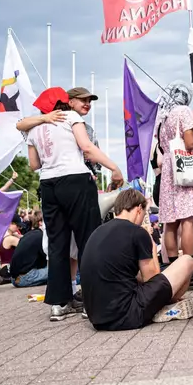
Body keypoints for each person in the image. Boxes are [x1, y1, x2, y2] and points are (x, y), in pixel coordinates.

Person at [26, 87, 124, 322]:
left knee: (58, 244)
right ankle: (91, 301)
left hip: (48, 185)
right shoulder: (72, 117)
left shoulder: (33, 128)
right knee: (87, 240)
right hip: (76, 181)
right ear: (65, 103)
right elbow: (87, 148)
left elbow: (33, 164)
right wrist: (114, 168)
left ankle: (59, 304)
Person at [81, 189, 193, 331]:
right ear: (138, 209)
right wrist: (153, 248)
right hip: (127, 315)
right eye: (144, 213)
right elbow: (152, 278)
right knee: (188, 261)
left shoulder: (98, 231)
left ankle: (165, 305)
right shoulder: (137, 232)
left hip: (98, 318)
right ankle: (163, 306)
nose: (143, 219)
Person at [158, 82, 193, 274]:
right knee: (188, 218)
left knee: (170, 222)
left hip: (167, 169)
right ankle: (189, 268)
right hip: (183, 166)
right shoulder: (184, 111)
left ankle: (173, 268)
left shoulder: (163, 116)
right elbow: (189, 142)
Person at [10, 211, 49, 288]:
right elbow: (48, 258)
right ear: (40, 223)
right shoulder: (40, 237)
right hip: (25, 277)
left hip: (14, 278)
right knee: (62, 270)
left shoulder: (28, 234)